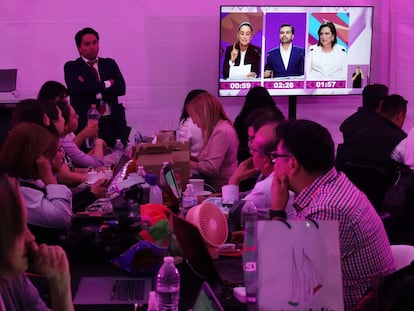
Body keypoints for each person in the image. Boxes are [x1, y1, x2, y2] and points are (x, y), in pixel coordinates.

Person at [269, 119, 395, 310]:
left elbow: (284, 280)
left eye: (276, 156)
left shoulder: (326, 209)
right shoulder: (336, 182)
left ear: (293, 164)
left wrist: (277, 211)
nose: (273, 164)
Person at [0, 173, 74, 311]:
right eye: (18, 227)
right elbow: (60, 216)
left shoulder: (13, 279)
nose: (31, 238)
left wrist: (60, 287)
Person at [0, 123, 73, 243]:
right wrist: (49, 178)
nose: (52, 160)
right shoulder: (16, 190)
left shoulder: (28, 181)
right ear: (35, 157)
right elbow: (61, 218)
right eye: (48, 156)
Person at [64, 27, 128, 148]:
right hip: (87, 125)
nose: (92, 47)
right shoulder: (72, 67)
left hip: (112, 122)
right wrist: (106, 84)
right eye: (87, 44)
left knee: (117, 158)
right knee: (89, 160)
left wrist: (95, 92)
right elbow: (77, 89)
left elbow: (121, 88)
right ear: (79, 47)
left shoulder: (109, 63)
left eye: (95, 43)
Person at [228, 122, 294, 220]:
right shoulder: (281, 177)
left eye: (253, 149)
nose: (250, 153)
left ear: (266, 160)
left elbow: (232, 216)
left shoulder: (268, 186)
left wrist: (234, 180)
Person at [187, 93, 238, 192]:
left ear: (203, 113)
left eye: (193, 116)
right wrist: (191, 159)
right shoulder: (218, 128)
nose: (193, 121)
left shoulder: (221, 132)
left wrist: (188, 163)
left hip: (218, 189)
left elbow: (211, 167)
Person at [38, 80, 101, 150]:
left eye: (66, 97)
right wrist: (83, 135)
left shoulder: (66, 112)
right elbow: (65, 151)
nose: (66, 100)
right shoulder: (45, 124)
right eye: (61, 97)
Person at [233, 86, 284, 164]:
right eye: (251, 138)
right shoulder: (278, 119)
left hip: (244, 161)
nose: (251, 143)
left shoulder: (240, 120)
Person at [176, 89, 207, 158]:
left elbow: (183, 152)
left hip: (195, 165)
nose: (194, 122)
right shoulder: (216, 122)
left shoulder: (187, 124)